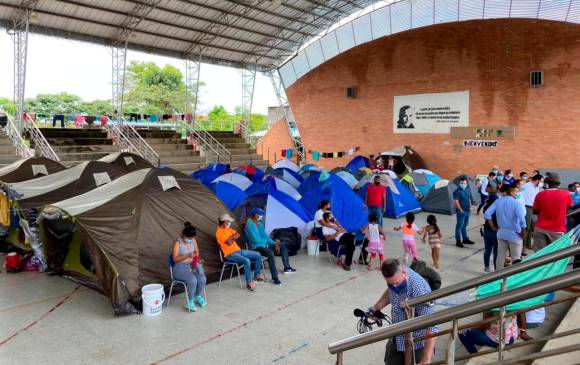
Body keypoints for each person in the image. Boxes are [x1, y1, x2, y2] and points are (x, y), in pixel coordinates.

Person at [371, 259, 437, 365]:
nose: (395, 287)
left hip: (415, 343)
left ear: (404, 273)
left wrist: (426, 359)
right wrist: (377, 307)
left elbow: (431, 325)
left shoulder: (418, 288)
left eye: (397, 283)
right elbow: (391, 292)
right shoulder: (395, 279)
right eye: (391, 284)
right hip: (396, 337)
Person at [245, 208, 297, 286]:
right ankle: (274, 278)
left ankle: (287, 268)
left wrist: (274, 243)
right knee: (270, 253)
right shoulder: (249, 225)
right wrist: (265, 240)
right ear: (256, 215)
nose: (262, 216)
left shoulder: (260, 224)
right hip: (256, 248)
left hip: (264, 246)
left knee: (281, 244)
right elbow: (256, 240)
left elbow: (266, 236)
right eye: (260, 214)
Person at [215, 213, 264, 291]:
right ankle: (249, 283)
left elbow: (238, 234)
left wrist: (231, 237)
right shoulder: (219, 232)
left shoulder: (228, 229)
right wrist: (233, 237)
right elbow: (229, 243)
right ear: (224, 222)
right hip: (230, 254)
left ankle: (257, 275)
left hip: (238, 251)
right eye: (228, 221)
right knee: (246, 261)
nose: (229, 223)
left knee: (258, 254)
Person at [484, 184, 527, 270]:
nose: (517, 194)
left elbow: (487, 214)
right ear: (511, 192)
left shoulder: (498, 201)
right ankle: (513, 278)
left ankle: (498, 277)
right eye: (515, 192)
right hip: (514, 234)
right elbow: (522, 219)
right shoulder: (517, 203)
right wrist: (523, 231)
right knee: (516, 258)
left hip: (501, 233)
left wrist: (493, 227)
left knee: (500, 256)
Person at [171, 222, 207, 312]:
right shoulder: (177, 243)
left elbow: (197, 251)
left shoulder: (193, 240)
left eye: (192, 238)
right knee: (192, 280)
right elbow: (175, 259)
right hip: (179, 268)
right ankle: (190, 302)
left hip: (191, 265)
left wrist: (195, 255)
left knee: (202, 278)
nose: (191, 239)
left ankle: (197, 295)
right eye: (189, 238)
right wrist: (186, 255)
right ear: (184, 235)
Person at [533, 173, 573, 250]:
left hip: (540, 228)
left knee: (539, 256)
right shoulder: (566, 194)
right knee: (555, 255)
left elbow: (535, 211)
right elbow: (570, 207)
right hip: (558, 229)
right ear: (559, 183)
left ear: (547, 183)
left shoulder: (540, 194)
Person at [522, 174, 544, 249]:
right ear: (537, 180)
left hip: (534, 208)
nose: (541, 183)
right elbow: (522, 196)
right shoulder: (526, 186)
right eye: (541, 181)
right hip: (527, 207)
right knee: (526, 227)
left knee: (532, 227)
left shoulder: (537, 188)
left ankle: (528, 244)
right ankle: (523, 246)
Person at [453, 176, 475, 247]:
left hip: (467, 210)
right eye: (462, 183)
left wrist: (470, 206)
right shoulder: (457, 191)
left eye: (464, 183)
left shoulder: (467, 189)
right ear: (459, 183)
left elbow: (468, 199)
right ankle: (458, 241)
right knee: (459, 226)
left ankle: (465, 239)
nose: (463, 184)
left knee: (464, 225)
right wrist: (461, 210)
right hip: (461, 212)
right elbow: (456, 202)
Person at [482, 194, 499, 272]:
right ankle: (496, 268)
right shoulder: (497, 208)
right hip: (495, 231)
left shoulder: (486, 206)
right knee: (496, 251)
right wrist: (493, 227)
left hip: (486, 230)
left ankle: (486, 267)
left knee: (487, 249)